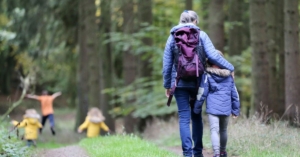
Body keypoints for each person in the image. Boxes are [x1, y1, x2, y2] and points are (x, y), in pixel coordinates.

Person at [162, 10, 234, 157]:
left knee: (183, 117)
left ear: (180, 21)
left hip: (179, 82)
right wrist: (230, 67)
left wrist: (167, 85)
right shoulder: (202, 35)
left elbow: (167, 64)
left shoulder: (172, 37)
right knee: (196, 116)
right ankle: (198, 152)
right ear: (195, 21)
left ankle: (187, 154)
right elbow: (213, 56)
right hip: (198, 82)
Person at [193, 51, 240, 157]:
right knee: (223, 130)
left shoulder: (207, 75)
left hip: (213, 108)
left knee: (214, 130)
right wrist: (235, 110)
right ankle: (223, 152)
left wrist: (197, 107)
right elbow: (235, 94)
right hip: (226, 108)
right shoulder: (229, 76)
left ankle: (217, 153)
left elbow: (202, 92)